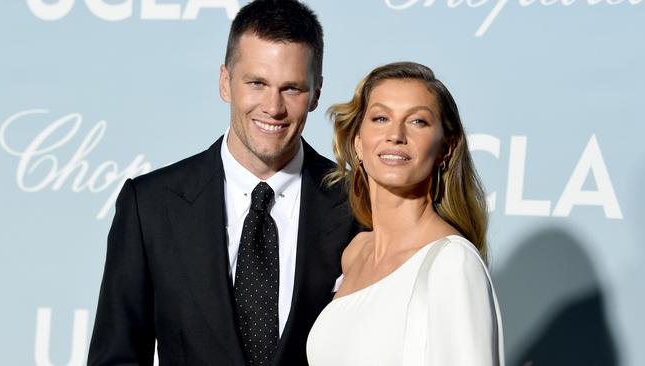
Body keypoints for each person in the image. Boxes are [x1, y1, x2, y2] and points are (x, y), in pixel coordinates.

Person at [87, 1, 357, 365]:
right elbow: (116, 357)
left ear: (316, 93)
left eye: (291, 88)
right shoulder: (150, 205)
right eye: (257, 83)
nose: (273, 107)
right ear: (225, 82)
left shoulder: (357, 203)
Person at [306, 62, 505, 365]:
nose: (395, 135)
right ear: (357, 142)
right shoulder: (355, 253)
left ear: (445, 149)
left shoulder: (452, 263)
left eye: (417, 122)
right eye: (381, 118)